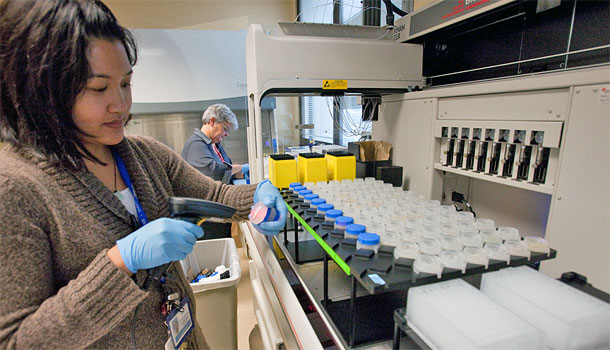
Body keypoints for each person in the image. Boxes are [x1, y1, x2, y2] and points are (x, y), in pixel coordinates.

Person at [0, 1, 286, 349]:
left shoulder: (143, 155)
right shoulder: (15, 187)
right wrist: (120, 262)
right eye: (99, 88)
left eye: (125, 83)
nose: (121, 104)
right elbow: (18, 342)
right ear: (43, 88)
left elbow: (217, 197)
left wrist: (259, 195)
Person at [181, 104, 249, 185]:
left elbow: (226, 171)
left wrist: (242, 174)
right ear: (212, 122)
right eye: (225, 129)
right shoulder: (195, 144)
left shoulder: (215, 145)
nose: (227, 134)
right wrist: (240, 167)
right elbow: (212, 172)